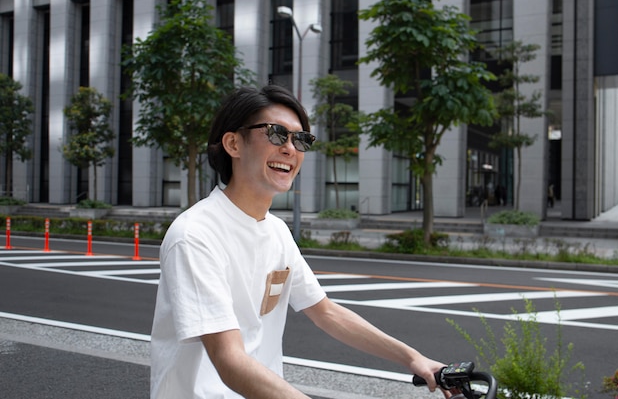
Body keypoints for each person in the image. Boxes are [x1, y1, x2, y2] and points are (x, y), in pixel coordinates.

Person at [150, 85, 447, 399]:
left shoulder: (276, 232)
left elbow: (326, 312)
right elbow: (229, 360)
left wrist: (414, 358)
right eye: (277, 134)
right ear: (233, 143)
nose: (290, 149)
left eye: (300, 139)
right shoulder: (195, 235)